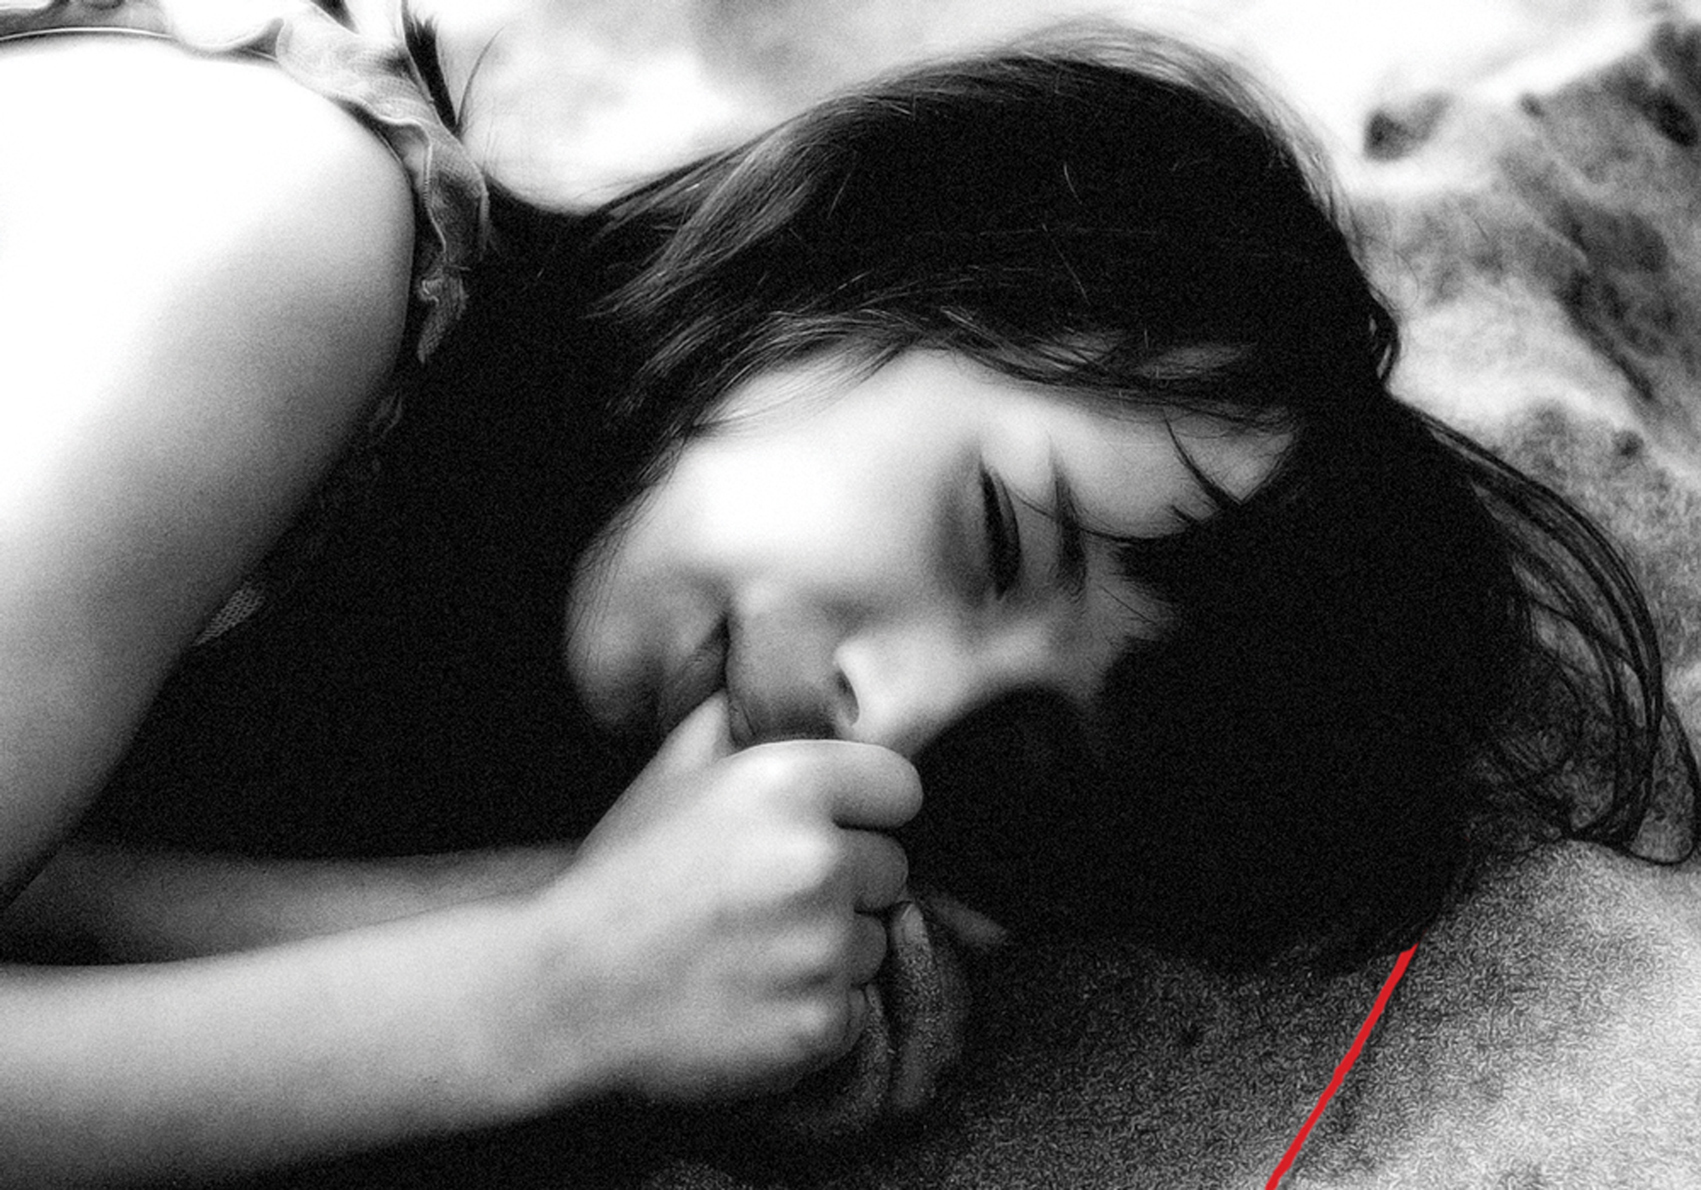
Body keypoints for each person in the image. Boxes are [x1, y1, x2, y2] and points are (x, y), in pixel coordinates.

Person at [0, 3, 1692, 1185]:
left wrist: (572, 923)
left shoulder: (460, 618)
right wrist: (538, 997)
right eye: (994, 536)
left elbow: (53, 897)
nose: (900, 713)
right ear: (852, 265)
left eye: (1005, 750)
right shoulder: (280, 228)